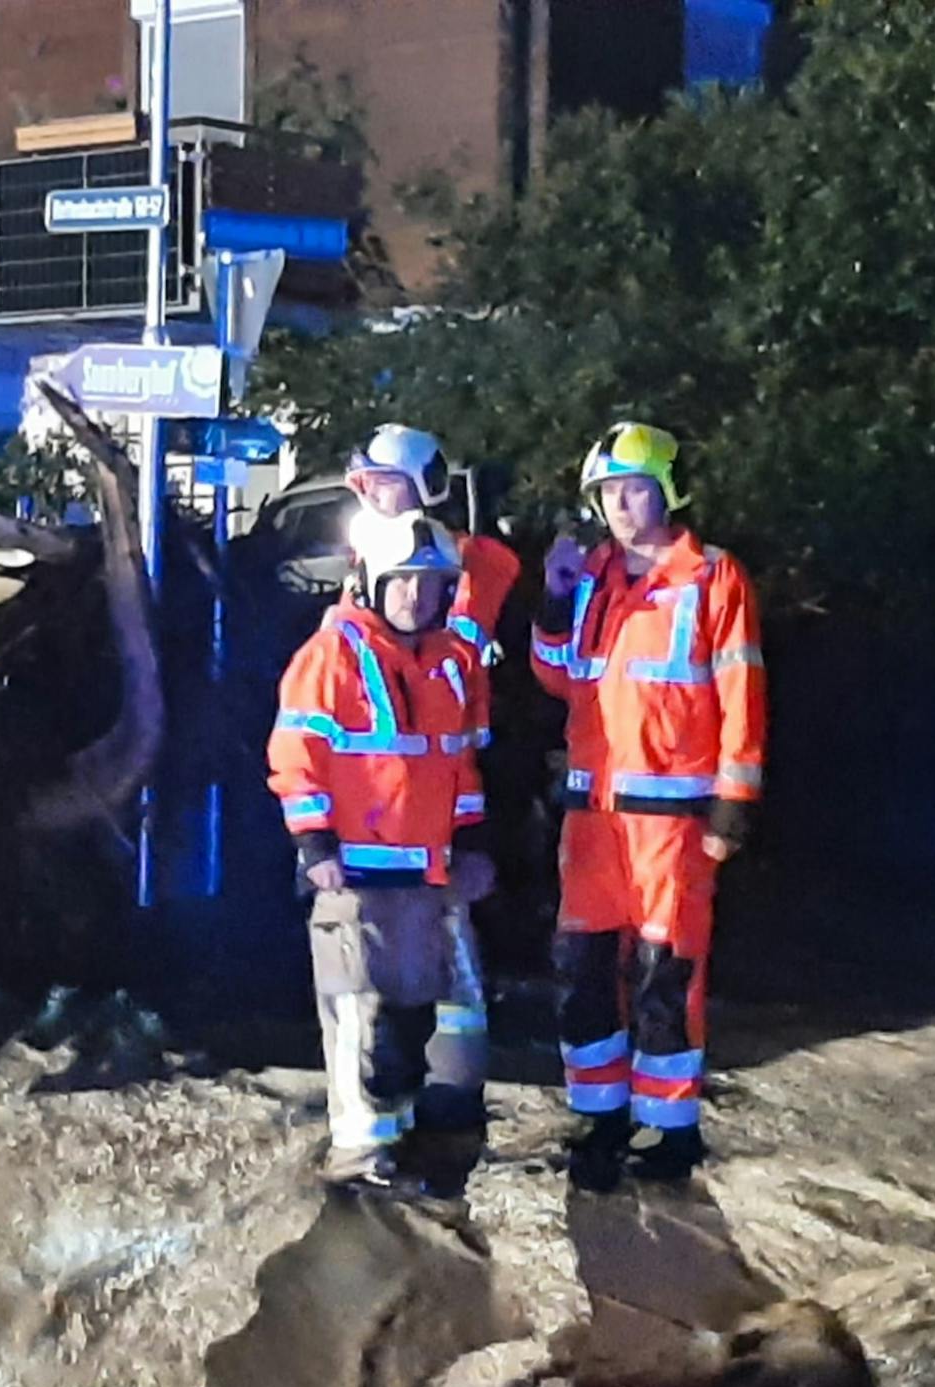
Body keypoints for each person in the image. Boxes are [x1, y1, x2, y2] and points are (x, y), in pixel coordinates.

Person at [531, 422, 766, 1187]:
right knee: (583, 968)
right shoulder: (593, 574)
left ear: (667, 490)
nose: (621, 505)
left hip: (674, 819)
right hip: (593, 818)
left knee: (667, 973)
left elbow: (740, 693)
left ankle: (668, 1132)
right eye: (607, 492)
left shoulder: (713, 579)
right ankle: (598, 1117)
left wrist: (735, 800)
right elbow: (557, 676)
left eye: (633, 489)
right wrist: (555, 601)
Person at [268, 509, 494, 1193]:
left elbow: (458, 769)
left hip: (423, 872)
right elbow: (293, 756)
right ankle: (359, 1154)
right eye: (403, 584)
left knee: (406, 1017)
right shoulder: (330, 658)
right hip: (352, 870)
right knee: (357, 1018)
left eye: (429, 586)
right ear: (369, 581)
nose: (416, 598)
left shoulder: (448, 666)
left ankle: (391, 1146)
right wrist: (314, 844)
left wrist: (471, 845)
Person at [342, 425, 521, 1171]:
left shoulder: (464, 566)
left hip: (452, 784)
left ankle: (451, 1094)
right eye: (368, 485)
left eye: (386, 484)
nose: (373, 495)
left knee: (450, 948)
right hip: (387, 808)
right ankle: (403, 1100)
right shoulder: (371, 562)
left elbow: (454, 670)